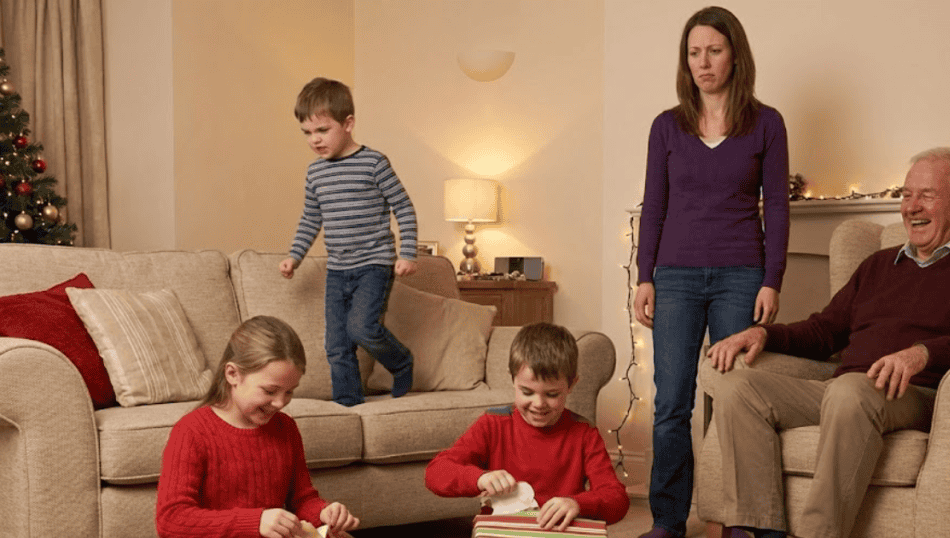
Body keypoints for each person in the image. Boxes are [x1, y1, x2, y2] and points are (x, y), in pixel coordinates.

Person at [705, 147, 950, 538]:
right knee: (738, 386)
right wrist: (764, 333)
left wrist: (924, 353)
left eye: (926, 195)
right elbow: (824, 331)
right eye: (907, 195)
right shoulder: (878, 264)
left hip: (917, 392)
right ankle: (757, 530)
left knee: (850, 390)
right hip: (845, 390)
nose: (911, 207)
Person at [632, 6, 789, 538]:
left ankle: (736, 517)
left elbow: (779, 209)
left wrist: (772, 279)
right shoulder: (666, 127)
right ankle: (667, 520)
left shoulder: (767, 123)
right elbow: (653, 206)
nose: (703, 62)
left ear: (734, 54)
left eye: (714, 51)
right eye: (694, 52)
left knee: (732, 399)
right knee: (671, 401)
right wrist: (644, 276)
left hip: (741, 274)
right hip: (674, 276)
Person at [280, 77, 418, 407]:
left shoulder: (374, 163)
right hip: (338, 270)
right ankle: (349, 405)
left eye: (322, 130)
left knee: (362, 328)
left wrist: (408, 251)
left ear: (348, 124)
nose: (314, 140)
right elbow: (311, 218)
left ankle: (401, 362)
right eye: (307, 133)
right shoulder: (315, 173)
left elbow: (403, 206)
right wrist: (294, 256)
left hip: (374, 265)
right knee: (336, 343)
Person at [156, 316, 360, 538]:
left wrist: (323, 513)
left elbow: (302, 499)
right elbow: (171, 520)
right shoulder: (192, 431)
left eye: (289, 391)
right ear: (233, 374)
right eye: (270, 391)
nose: (280, 403)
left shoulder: (285, 428)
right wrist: (255, 522)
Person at [424, 322, 630, 531]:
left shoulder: (583, 432)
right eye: (527, 392)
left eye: (552, 394)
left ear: (571, 385)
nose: (539, 404)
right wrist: (479, 478)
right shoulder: (493, 424)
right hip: (503, 533)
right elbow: (435, 473)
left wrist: (577, 503)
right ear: (513, 380)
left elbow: (617, 499)